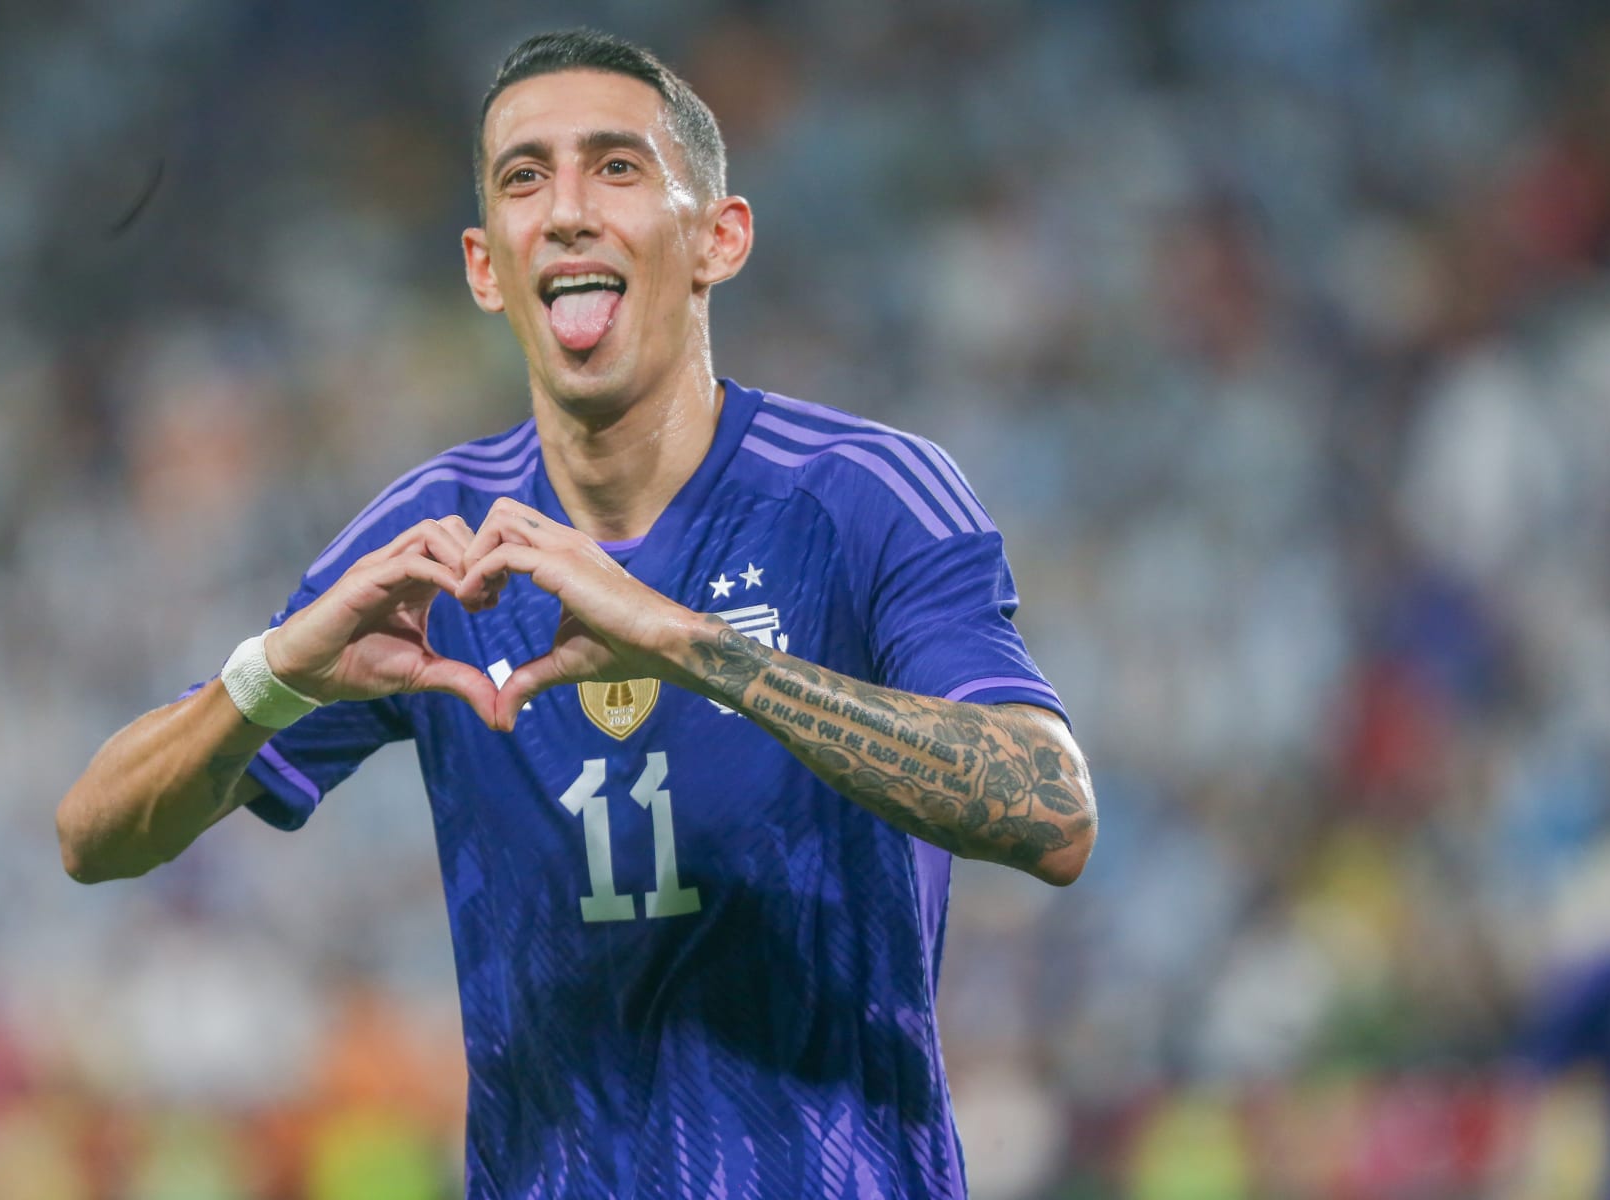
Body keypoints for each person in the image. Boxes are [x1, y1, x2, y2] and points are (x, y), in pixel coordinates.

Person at [58, 28, 1097, 1199]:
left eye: (615, 167)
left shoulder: (859, 496)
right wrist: (275, 674)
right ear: (485, 265)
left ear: (719, 238)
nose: (564, 211)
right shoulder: (439, 542)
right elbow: (94, 837)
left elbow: (1049, 810)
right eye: (523, 177)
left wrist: (683, 642)